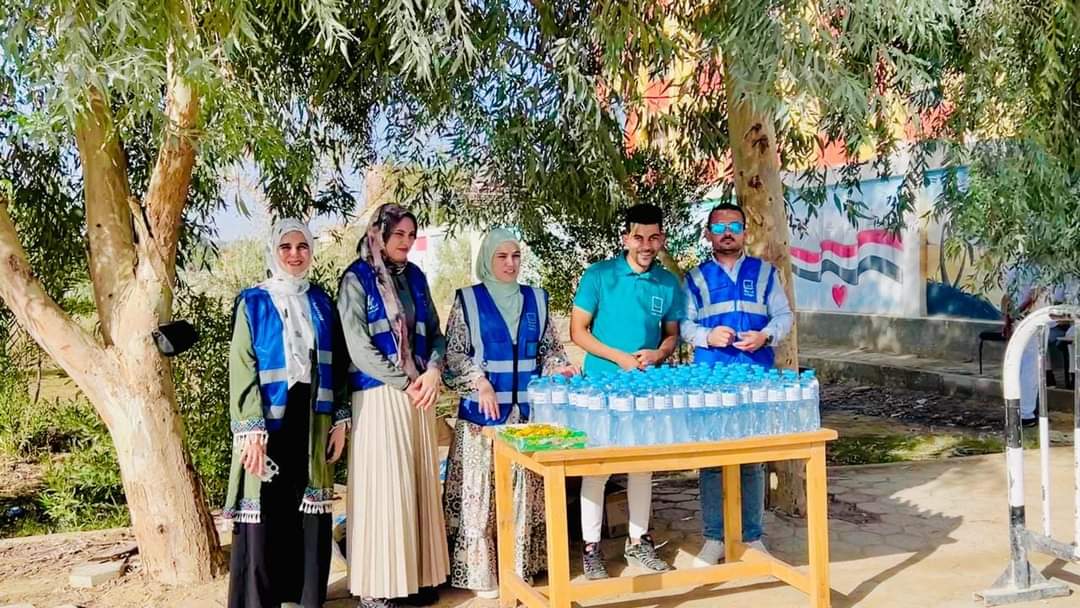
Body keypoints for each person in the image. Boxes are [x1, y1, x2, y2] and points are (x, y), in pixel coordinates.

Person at [442, 228, 578, 598]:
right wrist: (479, 382)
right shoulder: (469, 301)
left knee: (523, 493)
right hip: (482, 418)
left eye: (516, 256)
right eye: (502, 257)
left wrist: (559, 368)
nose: (510, 264)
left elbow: (550, 350)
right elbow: (454, 355)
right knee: (481, 495)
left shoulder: (537, 299)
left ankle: (520, 567)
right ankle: (482, 573)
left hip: (526, 418)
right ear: (487, 260)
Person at [224, 219, 350, 608]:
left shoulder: (322, 303)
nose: (295, 255)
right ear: (273, 251)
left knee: (308, 504)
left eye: (302, 247)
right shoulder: (253, 302)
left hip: (313, 416)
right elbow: (242, 366)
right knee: (265, 506)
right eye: (286, 247)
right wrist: (251, 431)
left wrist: (341, 420)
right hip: (267, 420)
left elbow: (339, 364)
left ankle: (305, 596)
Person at [338, 204, 449, 608]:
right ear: (379, 235)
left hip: (419, 393)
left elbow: (435, 333)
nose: (405, 242)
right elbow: (358, 347)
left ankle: (416, 579)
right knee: (384, 489)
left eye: (410, 235)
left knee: (417, 487)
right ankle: (378, 586)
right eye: (398, 234)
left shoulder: (415, 277)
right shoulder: (356, 279)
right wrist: (405, 382)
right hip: (380, 394)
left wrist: (433, 370)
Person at [570, 203, 684, 579]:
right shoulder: (599, 276)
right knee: (597, 467)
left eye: (654, 237)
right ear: (625, 239)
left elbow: (671, 336)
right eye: (638, 237)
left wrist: (657, 354)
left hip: (644, 387)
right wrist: (619, 358)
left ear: (662, 239)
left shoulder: (667, 283)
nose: (646, 245)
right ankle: (591, 549)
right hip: (601, 387)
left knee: (641, 465)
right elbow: (578, 332)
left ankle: (638, 542)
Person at [681, 202, 793, 566]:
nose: (727, 233)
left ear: (745, 232)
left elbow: (784, 315)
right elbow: (683, 324)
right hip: (711, 380)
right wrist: (707, 336)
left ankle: (752, 538)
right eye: (719, 227)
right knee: (713, 461)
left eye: (734, 226)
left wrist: (765, 336)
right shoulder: (695, 278)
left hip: (755, 378)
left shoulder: (765, 274)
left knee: (752, 460)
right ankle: (714, 538)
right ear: (708, 234)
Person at [1002, 262, 1047, 427]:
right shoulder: (1041, 266)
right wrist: (1016, 315)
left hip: (1019, 321)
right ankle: (1026, 413)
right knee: (1031, 367)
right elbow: (1033, 296)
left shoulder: (1013, 266)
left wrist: (1008, 320)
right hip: (1034, 320)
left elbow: (1007, 299)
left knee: (1020, 365)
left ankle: (1017, 409)